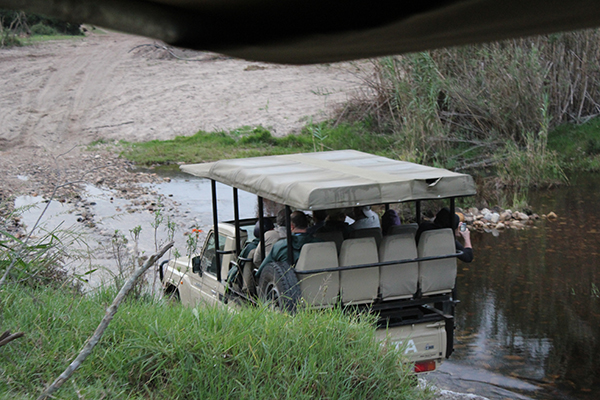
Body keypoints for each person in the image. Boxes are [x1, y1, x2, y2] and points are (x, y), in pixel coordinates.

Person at [257, 211, 321, 276]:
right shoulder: (321, 245)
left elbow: (263, 270)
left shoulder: (280, 246)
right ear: (307, 225)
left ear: (291, 226)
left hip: (288, 284)